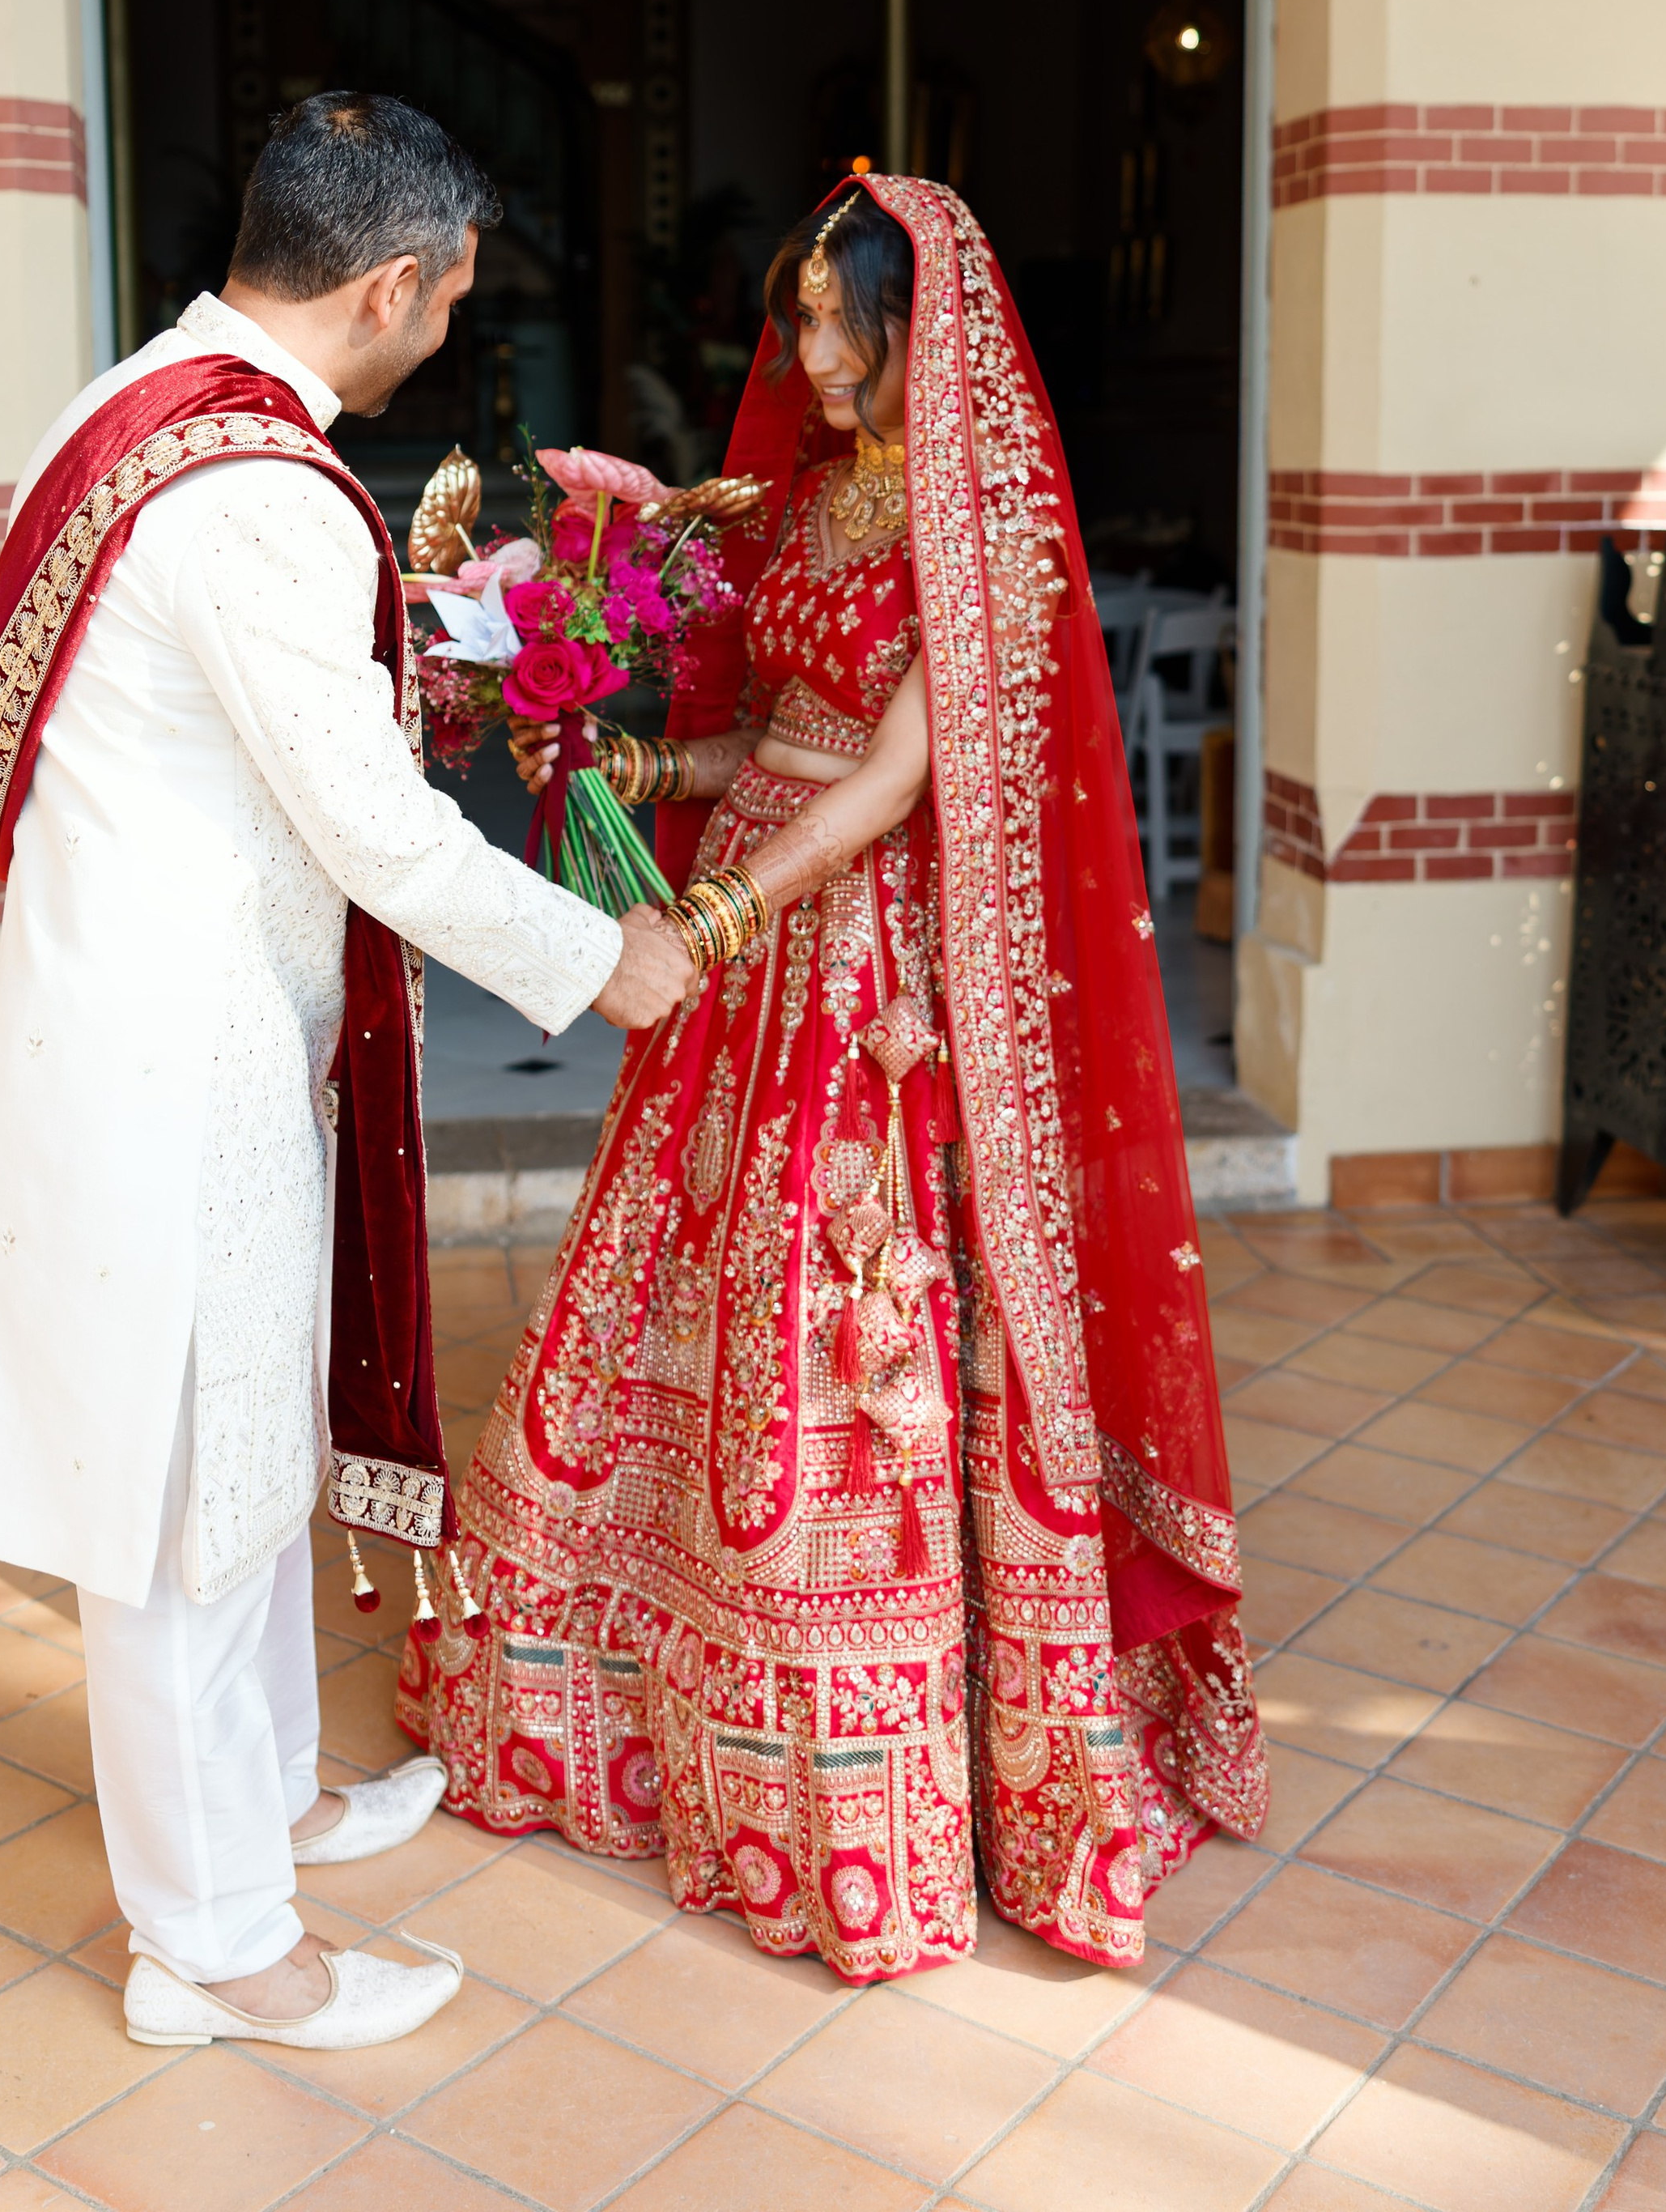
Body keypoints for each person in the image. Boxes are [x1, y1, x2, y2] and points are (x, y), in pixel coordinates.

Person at [0, 94, 694, 2054]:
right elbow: (376, 837)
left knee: (234, 1455)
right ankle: (213, 1947)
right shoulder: (251, 488)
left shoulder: (151, 400)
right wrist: (607, 959)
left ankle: (266, 1815)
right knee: (177, 1496)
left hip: (183, 1020)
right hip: (175, 1055)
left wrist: (435, 645)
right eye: (453, 301)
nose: (448, 331)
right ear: (393, 283)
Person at [402, 174, 1267, 1981]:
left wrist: (713, 910)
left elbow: (888, 776)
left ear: (910, 326)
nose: (798, 353)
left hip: (855, 957)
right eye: (790, 318)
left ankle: (850, 1758)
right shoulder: (804, 496)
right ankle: (627, 1687)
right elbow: (774, 730)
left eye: (826, 321)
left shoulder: (975, 514)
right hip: (743, 912)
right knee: (678, 1273)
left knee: (833, 1306)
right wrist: (639, 766)